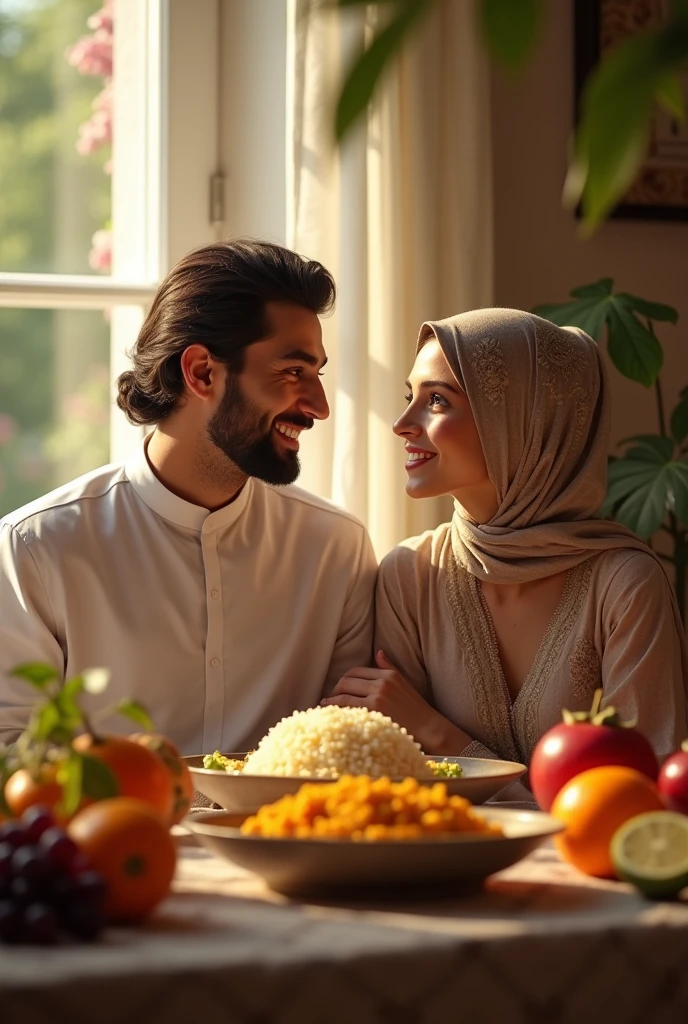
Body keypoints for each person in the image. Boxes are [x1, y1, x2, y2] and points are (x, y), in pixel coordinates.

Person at [0, 239, 376, 754]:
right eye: (293, 372)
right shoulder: (36, 549)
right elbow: (10, 754)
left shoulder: (338, 549)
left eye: (318, 374)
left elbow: (348, 749)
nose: (319, 406)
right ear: (201, 372)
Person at [323, 308, 688, 800]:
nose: (401, 424)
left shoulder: (624, 583)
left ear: (519, 422)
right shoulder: (410, 575)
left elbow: (638, 810)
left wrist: (440, 735)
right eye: (409, 397)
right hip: (439, 870)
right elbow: (400, 784)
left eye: (435, 401)